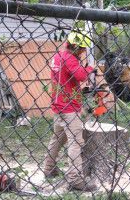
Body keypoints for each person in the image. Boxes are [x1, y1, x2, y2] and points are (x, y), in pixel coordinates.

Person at [43, 31, 97, 191]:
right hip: (69, 107)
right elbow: (80, 75)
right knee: (76, 142)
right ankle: (75, 180)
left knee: (58, 138)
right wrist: (90, 69)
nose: (83, 52)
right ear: (75, 46)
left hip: (58, 104)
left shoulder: (59, 56)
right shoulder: (70, 59)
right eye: (82, 49)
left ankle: (49, 168)